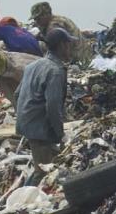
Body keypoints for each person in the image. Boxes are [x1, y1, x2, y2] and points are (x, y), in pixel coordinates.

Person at [16, 27, 75, 174]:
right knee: (44, 173)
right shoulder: (55, 71)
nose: (70, 49)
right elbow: (53, 107)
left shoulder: (32, 66)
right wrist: (61, 135)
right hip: (40, 130)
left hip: (28, 126)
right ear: (61, 45)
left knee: (45, 166)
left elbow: (17, 94)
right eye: (68, 45)